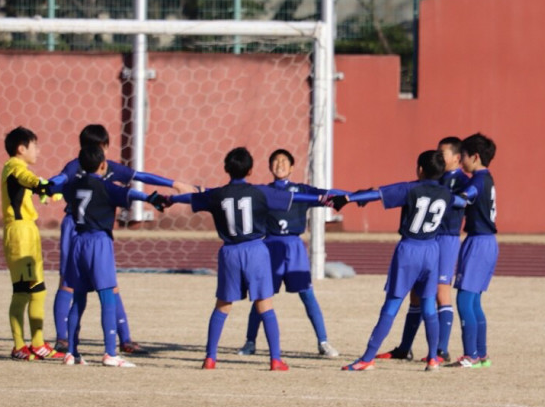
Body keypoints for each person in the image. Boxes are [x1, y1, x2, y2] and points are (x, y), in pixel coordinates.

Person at [167, 147, 321, 371]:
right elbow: (296, 197)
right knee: (264, 304)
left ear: (226, 169)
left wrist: (167, 199)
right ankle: (275, 359)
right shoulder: (261, 192)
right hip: (256, 250)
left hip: (229, 252)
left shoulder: (217, 194)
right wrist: (327, 199)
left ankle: (210, 357)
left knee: (223, 305)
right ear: (251, 170)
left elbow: (191, 197)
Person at [49, 124, 197, 355]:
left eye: (100, 147)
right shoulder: (76, 166)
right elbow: (59, 179)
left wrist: (173, 183)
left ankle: (124, 339)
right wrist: (48, 184)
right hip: (75, 227)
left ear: (106, 148)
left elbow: (139, 176)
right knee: (68, 282)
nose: (98, 153)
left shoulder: (110, 168)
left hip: (96, 231)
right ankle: (63, 339)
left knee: (108, 286)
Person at [330, 150, 455, 372]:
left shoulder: (411, 188)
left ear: (419, 169)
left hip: (410, 249)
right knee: (428, 305)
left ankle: (367, 358)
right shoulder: (447, 194)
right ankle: (433, 358)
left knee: (392, 304)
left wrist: (349, 198)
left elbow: (378, 194)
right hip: (432, 250)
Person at [61, 145, 169, 367]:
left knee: (78, 298)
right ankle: (110, 353)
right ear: (103, 165)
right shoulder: (106, 187)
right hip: (98, 242)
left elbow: (56, 188)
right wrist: (151, 198)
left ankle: (71, 352)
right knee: (107, 296)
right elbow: (130, 193)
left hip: (77, 241)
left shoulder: (72, 185)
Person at [237, 149, 340, 358]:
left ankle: (323, 342)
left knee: (307, 295)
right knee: (261, 296)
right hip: (269, 247)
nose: (279, 164)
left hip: (294, 249)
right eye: (275, 161)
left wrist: (356, 195)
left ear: (292, 167)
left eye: (284, 161)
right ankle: (250, 342)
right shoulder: (262, 192)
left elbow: (330, 195)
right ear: (269, 167)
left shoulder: (302, 190)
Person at [377, 136, 467, 363]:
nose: (439, 156)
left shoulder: (463, 181)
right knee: (416, 296)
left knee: (440, 291)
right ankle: (404, 348)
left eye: (442, 153)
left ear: (456, 158)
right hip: (430, 239)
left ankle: (440, 350)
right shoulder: (437, 178)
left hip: (446, 238)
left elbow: (467, 201)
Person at [1, 126, 64, 361]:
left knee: (38, 290)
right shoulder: (14, 167)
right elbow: (27, 180)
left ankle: (37, 343)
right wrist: (43, 186)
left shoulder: (20, 169)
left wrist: (44, 190)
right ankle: (19, 345)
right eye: (35, 146)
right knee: (22, 291)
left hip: (29, 232)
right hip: (19, 233)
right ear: (21, 148)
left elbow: (29, 184)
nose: (38, 150)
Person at [450, 133, 498, 369]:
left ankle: (470, 354)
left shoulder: (477, 182)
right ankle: (480, 354)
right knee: (475, 300)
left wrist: (441, 197)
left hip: (478, 242)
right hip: (487, 242)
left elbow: (462, 199)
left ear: (475, 157)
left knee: (464, 299)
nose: (461, 162)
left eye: (464, 157)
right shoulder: (486, 178)